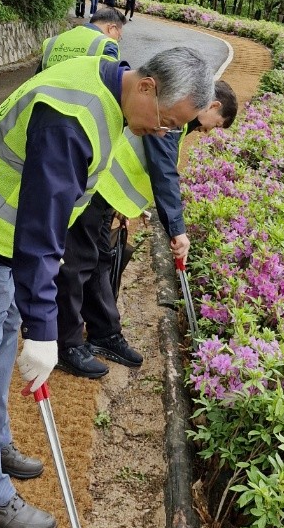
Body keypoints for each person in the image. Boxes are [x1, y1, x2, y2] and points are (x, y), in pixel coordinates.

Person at [0, 46, 214, 528]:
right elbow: (39, 231)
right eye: (167, 120)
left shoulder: (108, 88)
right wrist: (45, 333)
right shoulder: (73, 119)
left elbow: (54, 213)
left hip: (4, 237)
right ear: (146, 85)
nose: (164, 133)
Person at [56, 80, 239, 377]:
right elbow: (163, 171)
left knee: (100, 262)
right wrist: (177, 229)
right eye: (216, 125)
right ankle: (66, 345)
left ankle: (105, 333)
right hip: (93, 192)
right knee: (76, 266)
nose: (209, 132)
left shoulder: (181, 121)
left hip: (106, 198)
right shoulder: (172, 114)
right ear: (213, 105)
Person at [40, 7, 125, 70]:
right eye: (119, 37)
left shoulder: (52, 42)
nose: (117, 41)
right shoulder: (107, 45)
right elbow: (113, 84)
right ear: (112, 28)